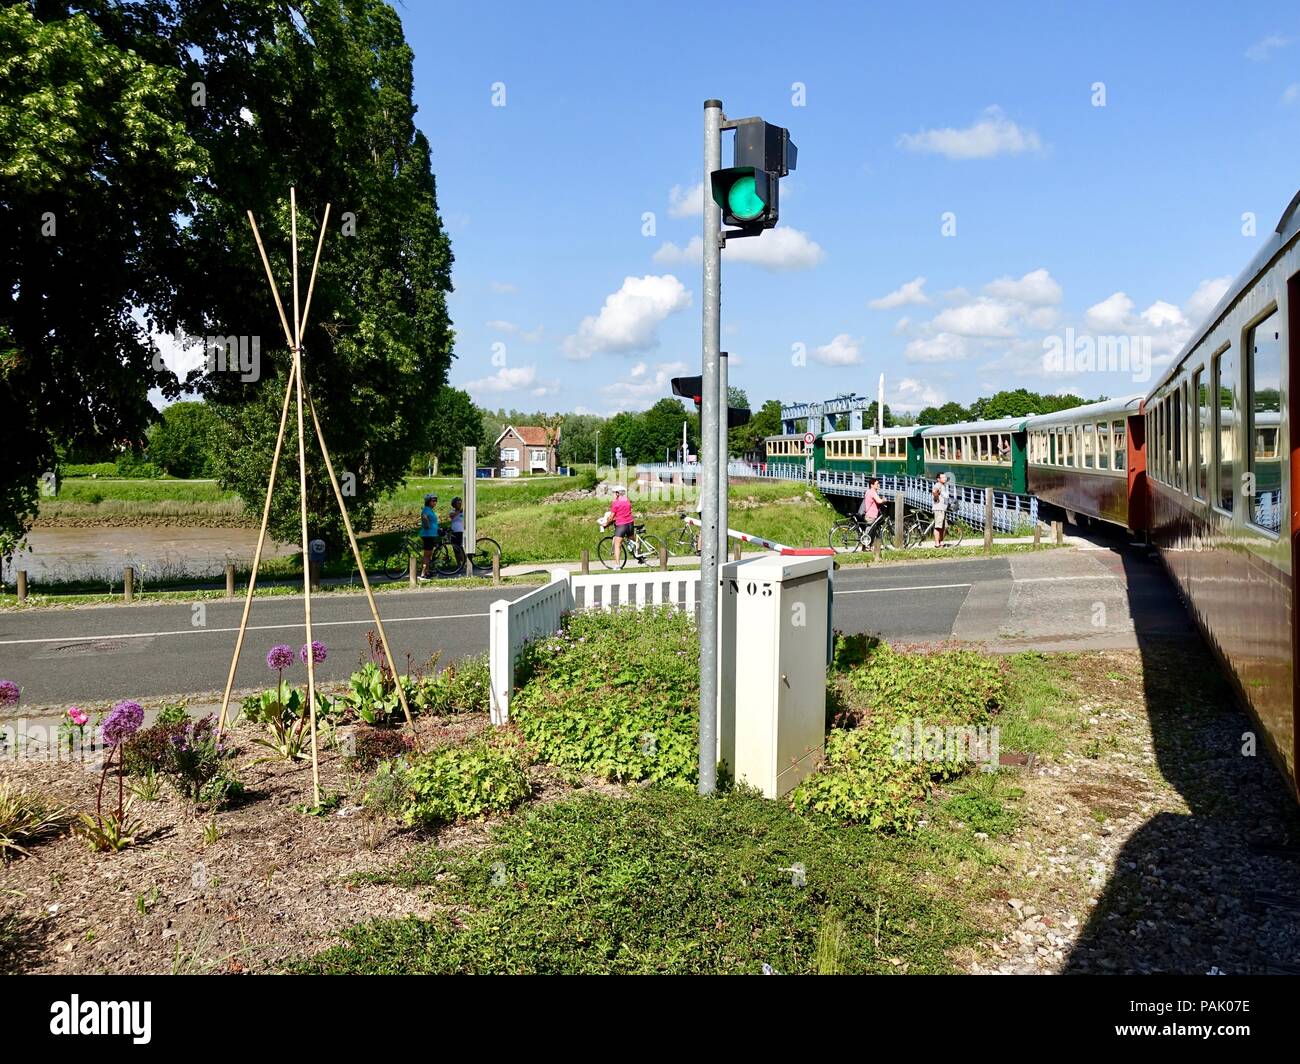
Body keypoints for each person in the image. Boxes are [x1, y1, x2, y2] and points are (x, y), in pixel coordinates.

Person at [607, 484, 634, 564]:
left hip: (621, 525)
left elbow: (611, 516)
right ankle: (641, 556)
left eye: (614, 493)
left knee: (617, 544)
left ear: (618, 493)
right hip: (630, 523)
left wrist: (607, 523)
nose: (613, 495)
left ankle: (617, 565)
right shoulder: (627, 500)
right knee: (633, 541)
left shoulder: (616, 503)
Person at [857, 476, 886, 546]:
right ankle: (866, 546)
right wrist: (884, 500)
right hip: (871, 515)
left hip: (869, 514)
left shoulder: (868, 491)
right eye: (877, 484)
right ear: (872, 485)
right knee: (869, 531)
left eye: (878, 484)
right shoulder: (873, 492)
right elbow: (879, 501)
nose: (878, 485)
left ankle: (869, 546)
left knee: (872, 531)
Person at [418, 493, 439, 579]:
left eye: (436, 501)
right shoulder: (426, 509)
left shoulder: (430, 510)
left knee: (429, 555)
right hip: (427, 535)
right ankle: (423, 574)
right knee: (427, 555)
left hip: (431, 535)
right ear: (428, 501)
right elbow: (424, 516)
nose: (435, 502)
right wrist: (427, 524)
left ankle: (427, 572)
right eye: (433, 501)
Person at [932, 472, 949, 547]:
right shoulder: (937, 485)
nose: (945, 479)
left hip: (943, 508)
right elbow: (934, 491)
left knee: (944, 526)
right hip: (939, 508)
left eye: (945, 477)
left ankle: (941, 541)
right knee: (938, 526)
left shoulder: (943, 486)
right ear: (938, 479)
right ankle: (937, 543)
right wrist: (936, 497)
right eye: (943, 477)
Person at [449, 496, 466, 570]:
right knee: (455, 549)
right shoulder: (452, 511)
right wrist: (459, 510)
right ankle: (459, 564)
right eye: (458, 503)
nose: (459, 504)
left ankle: (463, 564)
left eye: (460, 503)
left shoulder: (463, 512)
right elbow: (452, 516)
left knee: (460, 548)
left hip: (461, 531)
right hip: (454, 532)